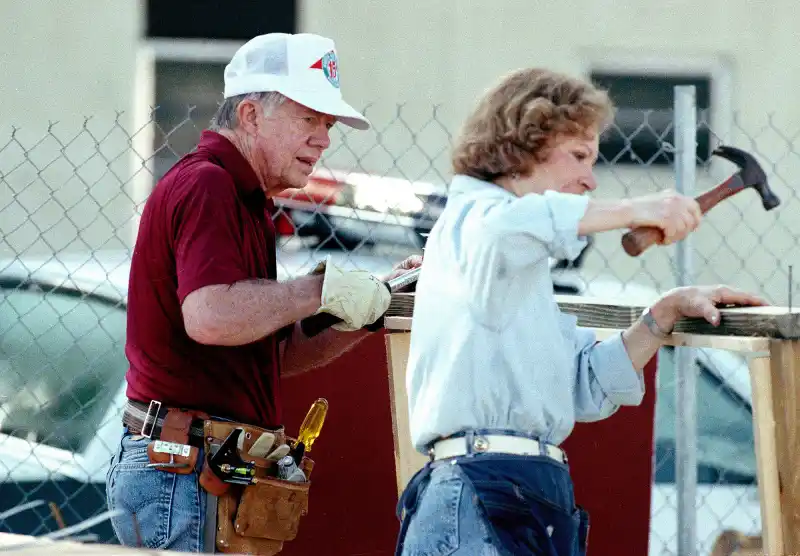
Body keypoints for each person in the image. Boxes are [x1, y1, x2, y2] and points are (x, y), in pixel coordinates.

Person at [394, 68, 767, 556]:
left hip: (527, 494)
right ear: (522, 144)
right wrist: (636, 209)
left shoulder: (522, 267)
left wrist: (660, 316)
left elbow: (584, 383)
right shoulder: (472, 223)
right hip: (478, 491)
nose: (590, 179)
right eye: (579, 156)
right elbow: (505, 228)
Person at [105, 32, 421, 553]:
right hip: (186, 475)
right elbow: (210, 316)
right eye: (309, 119)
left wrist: (375, 302)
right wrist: (321, 290)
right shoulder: (209, 185)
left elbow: (276, 354)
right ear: (250, 115)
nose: (323, 140)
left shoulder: (242, 197)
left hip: (195, 473)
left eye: (327, 125)